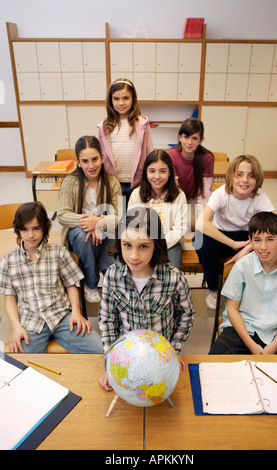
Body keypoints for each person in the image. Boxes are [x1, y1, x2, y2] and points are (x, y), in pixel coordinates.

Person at [98, 207, 195, 391]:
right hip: (126, 360)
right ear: (119, 243)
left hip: (160, 360)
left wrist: (174, 350)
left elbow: (187, 315)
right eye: (127, 245)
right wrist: (110, 364)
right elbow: (107, 320)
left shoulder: (174, 278)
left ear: (156, 245)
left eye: (143, 246)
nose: (134, 256)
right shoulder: (112, 276)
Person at [0, 201, 103, 353]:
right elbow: (9, 300)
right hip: (31, 323)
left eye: (36, 228)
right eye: (24, 229)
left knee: (99, 350)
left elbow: (71, 287)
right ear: (18, 230)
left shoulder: (59, 253)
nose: (30, 235)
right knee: (21, 364)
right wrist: (16, 327)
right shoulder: (8, 261)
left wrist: (76, 311)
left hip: (62, 317)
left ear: (44, 227)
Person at [194, 154, 277, 310]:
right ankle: (214, 287)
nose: (244, 180)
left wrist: (247, 248)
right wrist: (233, 244)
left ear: (257, 179)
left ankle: (252, 286)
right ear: (231, 177)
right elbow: (200, 223)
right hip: (222, 236)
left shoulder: (259, 197)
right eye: (240, 175)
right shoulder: (222, 194)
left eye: (251, 176)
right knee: (200, 239)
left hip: (247, 238)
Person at [209, 211, 277, 355]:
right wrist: (251, 345)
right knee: (213, 365)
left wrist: (274, 346)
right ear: (250, 240)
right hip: (240, 331)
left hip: (275, 333)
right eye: (257, 240)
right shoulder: (242, 267)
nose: (263, 247)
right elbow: (232, 309)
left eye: (270, 239)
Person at [58, 135, 122, 303]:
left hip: (105, 230)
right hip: (81, 233)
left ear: (102, 158)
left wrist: (99, 222)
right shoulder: (70, 182)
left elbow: (119, 215)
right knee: (82, 236)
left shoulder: (112, 182)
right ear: (78, 162)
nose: (91, 165)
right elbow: (63, 215)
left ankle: (113, 290)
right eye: (85, 161)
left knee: (112, 262)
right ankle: (91, 283)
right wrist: (90, 223)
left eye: (95, 159)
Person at [127, 149, 188, 269]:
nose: (157, 176)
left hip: (170, 243)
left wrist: (157, 245)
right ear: (146, 172)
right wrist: (146, 244)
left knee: (171, 268)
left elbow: (179, 229)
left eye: (162, 171)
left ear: (170, 172)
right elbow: (132, 225)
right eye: (152, 171)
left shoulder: (179, 195)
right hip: (142, 241)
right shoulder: (136, 194)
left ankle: (170, 287)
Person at [97, 78, 153, 207]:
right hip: (113, 182)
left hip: (137, 182)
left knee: (134, 218)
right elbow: (101, 155)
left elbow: (149, 151)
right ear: (110, 100)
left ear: (133, 99)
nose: (121, 103)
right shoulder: (104, 126)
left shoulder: (142, 124)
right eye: (116, 98)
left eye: (126, 98)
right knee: (117, 218)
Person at [168, 118, 214, 230]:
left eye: (194, 138)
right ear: (180, 137)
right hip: (176, 195)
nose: (189, 142)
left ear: (201, 140)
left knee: (196, 224)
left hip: (195, 197)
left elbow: (204, 191)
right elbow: (173, 187)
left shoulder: (207, 157)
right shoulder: (171, 155)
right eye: (186, 137)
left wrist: (202, 217)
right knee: (172, 223)